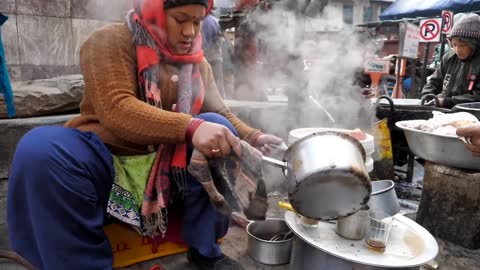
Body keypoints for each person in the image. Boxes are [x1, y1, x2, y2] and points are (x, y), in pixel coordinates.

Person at [6, 0, 282, 269]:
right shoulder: (109, 41)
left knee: (218, 128)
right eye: (181, 19)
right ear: (154, 14)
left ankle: (205, 249)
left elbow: (220, 112)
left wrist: (254, 137)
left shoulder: (197, 62)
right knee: (40, 150)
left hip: (171, 173)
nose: (191, 32)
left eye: (197, 21)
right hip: (107, 165)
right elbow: (117, 108)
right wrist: (191, 127)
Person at [421, 14, 480, 108]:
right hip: (442, 112)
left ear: (475, 45)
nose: (457, 50)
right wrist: (427, 95)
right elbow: (434, 82)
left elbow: (477, 96)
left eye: (462, 45)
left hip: (470, 114)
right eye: (454, 45)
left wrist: (447, 101)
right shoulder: (448, 58)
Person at [201, 12, 225, 98]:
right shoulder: (214, 20)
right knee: (218, 83)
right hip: (216, 57)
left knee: (210, 84)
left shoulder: (206, 22)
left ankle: (213, 103)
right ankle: (221, 102)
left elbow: (204, 43)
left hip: (209, 58)